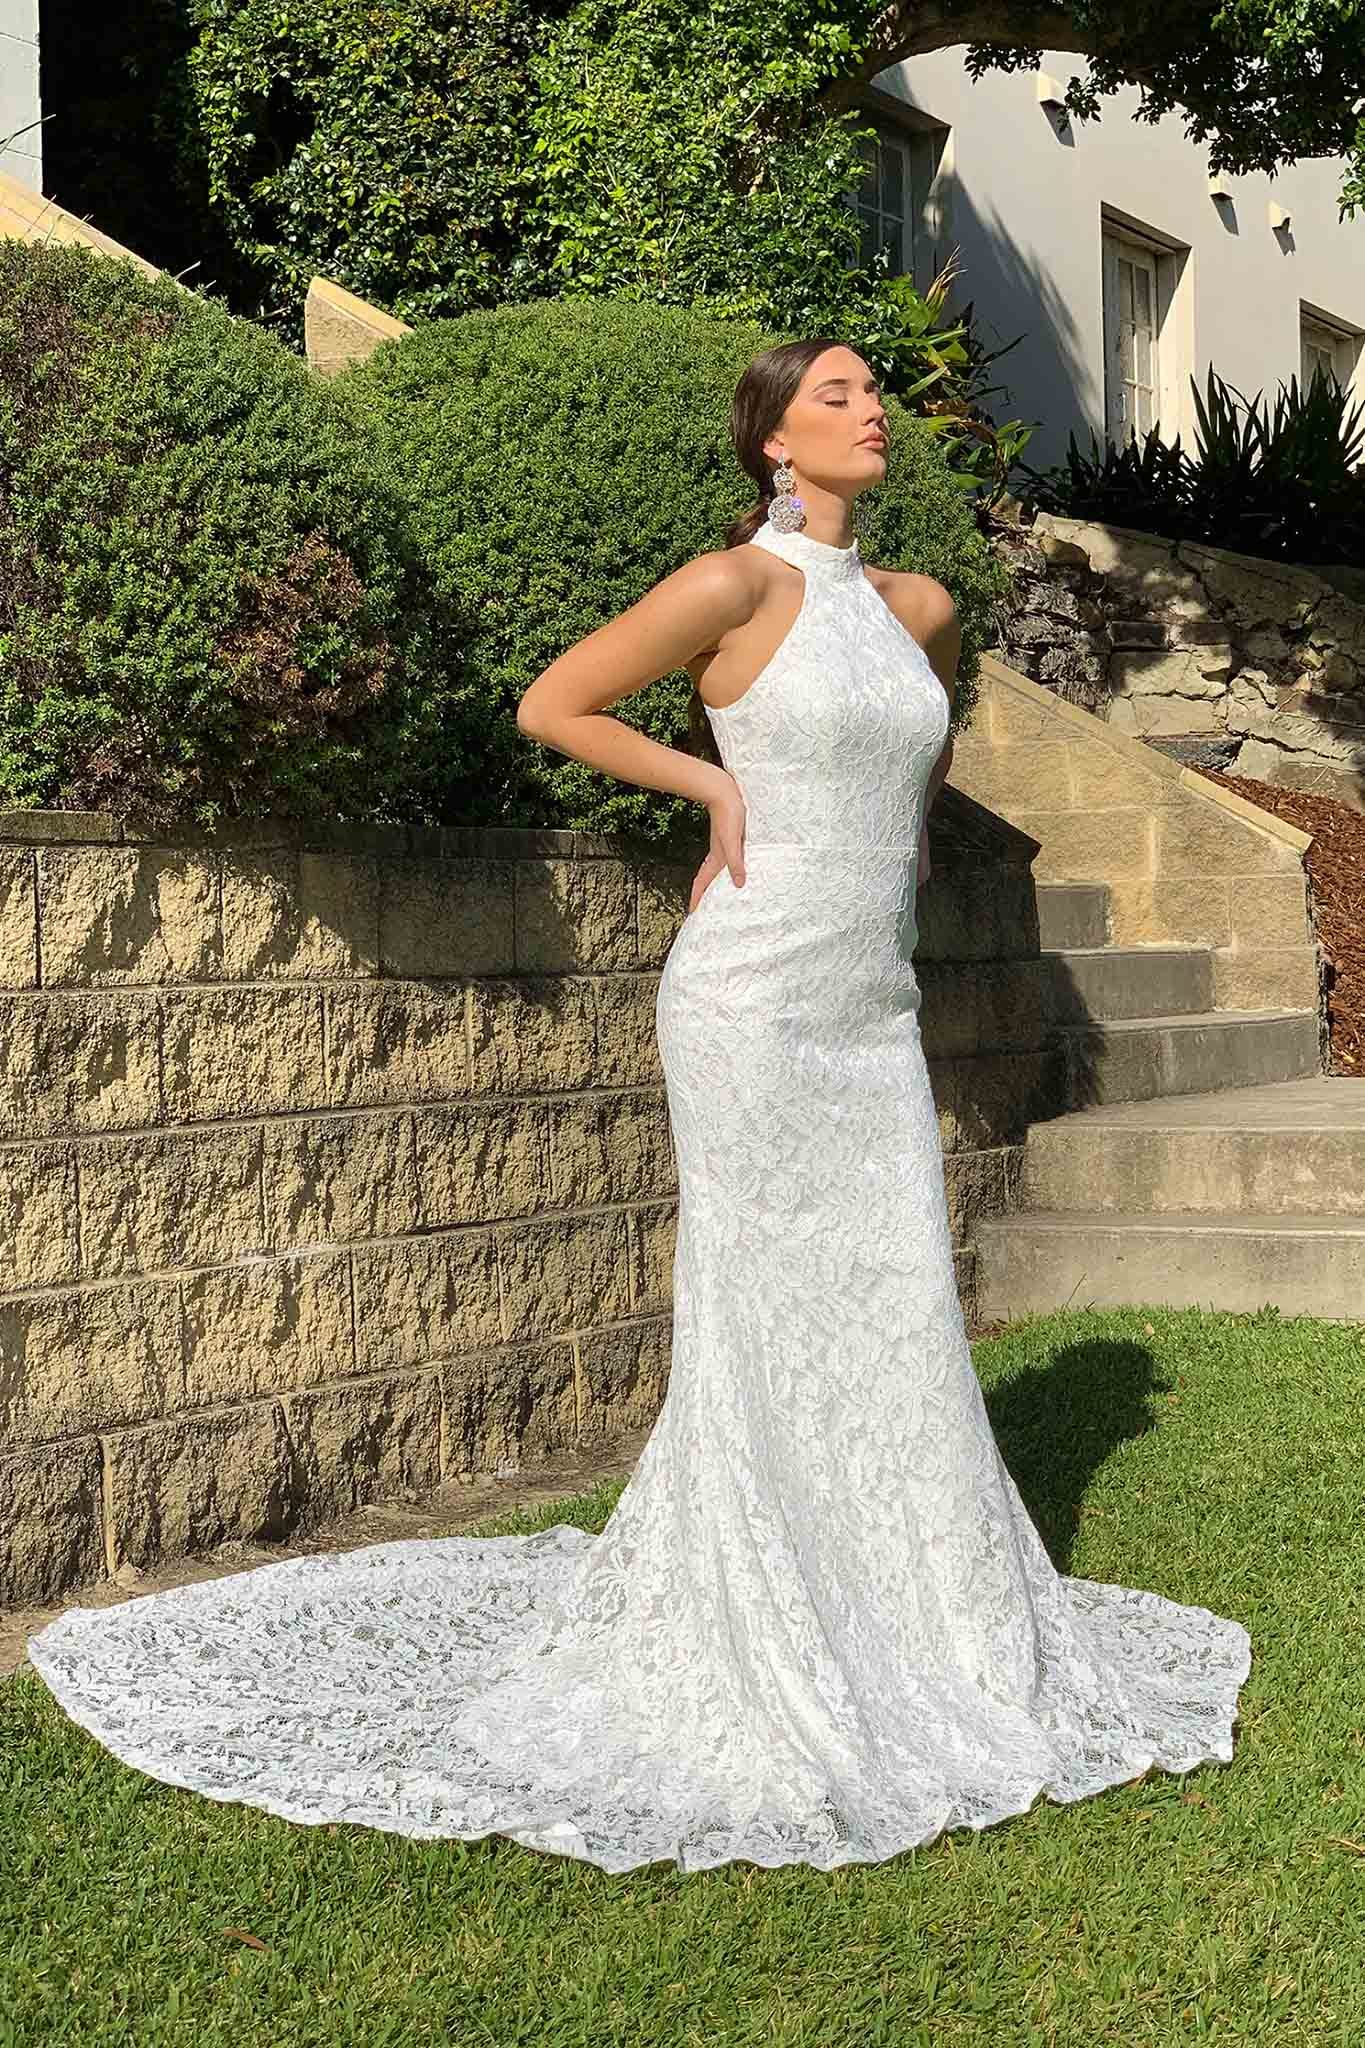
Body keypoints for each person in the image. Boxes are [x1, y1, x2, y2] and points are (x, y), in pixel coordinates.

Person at [26, 338, 1252, 1876]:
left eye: (871, 390)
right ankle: (764, 1610)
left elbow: (907, 764)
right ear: (773, 446)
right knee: (760, 1301)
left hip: (868, 1005)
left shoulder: (919, 609)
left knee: (890, 1298)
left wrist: (890, 860)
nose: (868, 409)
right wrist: (717, 789)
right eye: (833, 395)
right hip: (745, 1000)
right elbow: (557, 704)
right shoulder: (730, 586)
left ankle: (917, 1608)